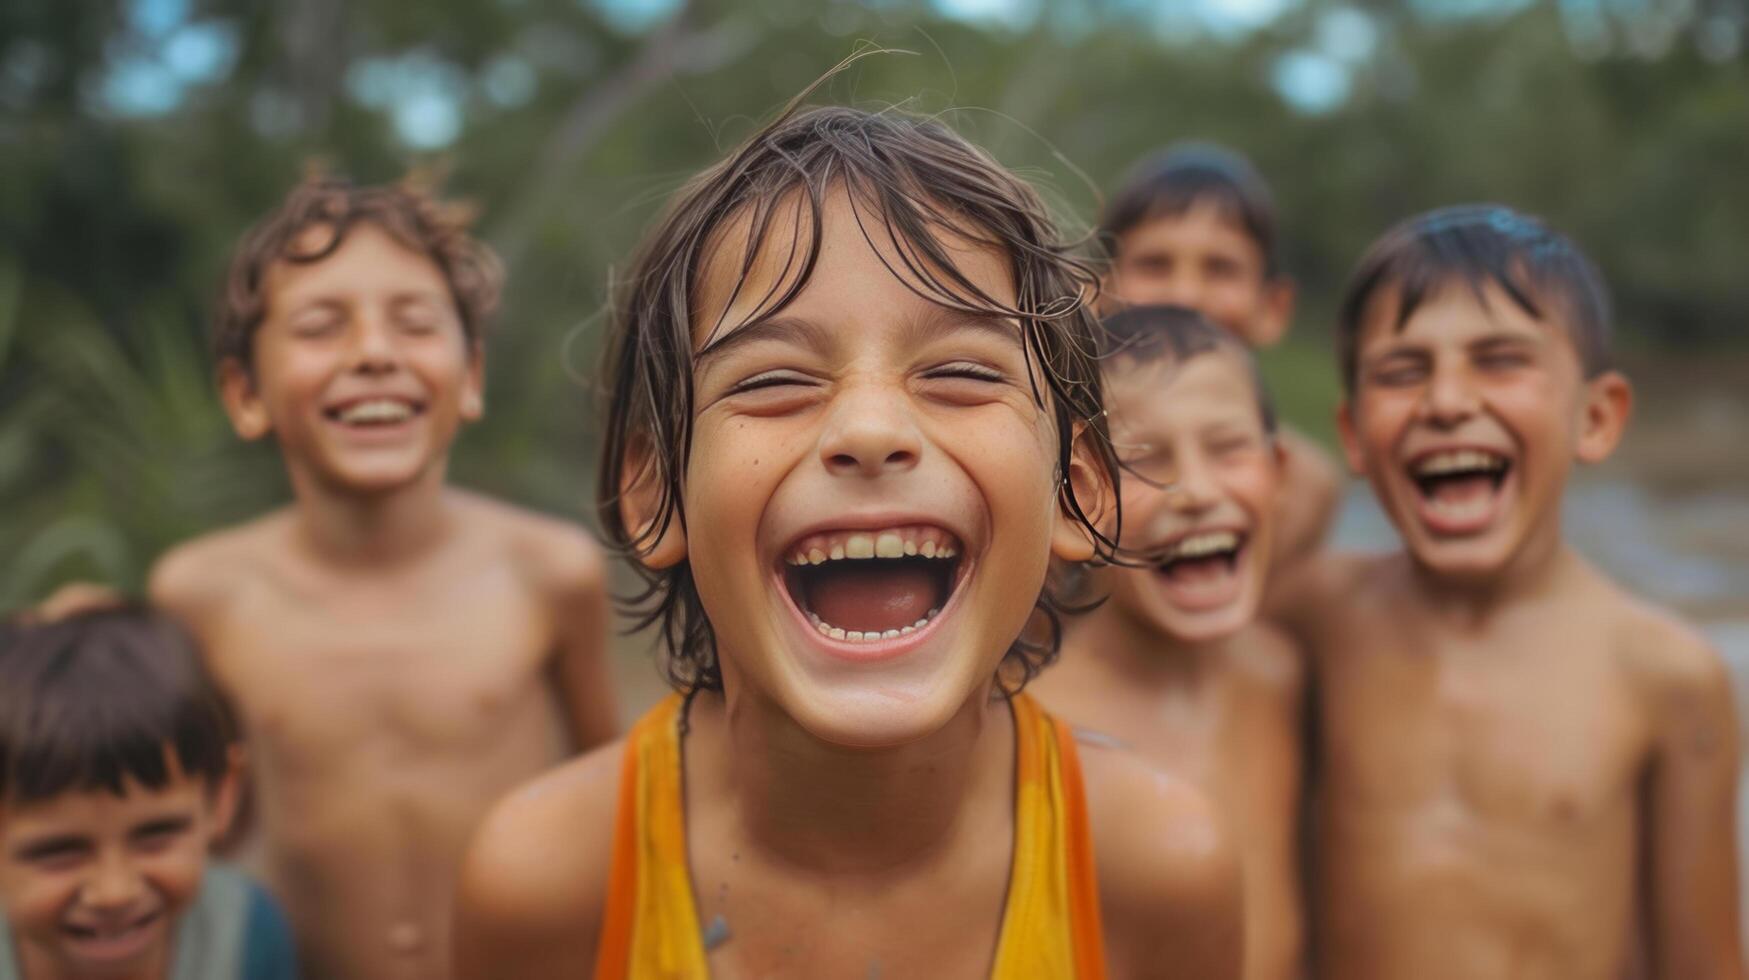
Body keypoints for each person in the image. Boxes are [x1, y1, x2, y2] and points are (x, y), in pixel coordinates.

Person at [454, 96, 1243, 978]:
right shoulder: (549, 880)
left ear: (1079, 486)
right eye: (775, 380)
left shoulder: (1156, 869)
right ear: (654, 491)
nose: (869, 428)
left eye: (957, 371)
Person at [148, 174, 618, 980]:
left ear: (470, 376)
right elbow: (200, 827)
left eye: (414, 321)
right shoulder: (200, 595)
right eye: (322, 325)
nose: (373, 352)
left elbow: (615, 800)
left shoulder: (549, 571)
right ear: (245, 393)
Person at [1274, 205, 1742, 979]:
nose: (1447, 402)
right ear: (1354, 434)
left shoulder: (1666, 676)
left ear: (1594, 418)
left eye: (1498, 360)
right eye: (1400, 372)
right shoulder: (1313, 616)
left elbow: (1704, 962)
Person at [1033, 305, 1305, 980]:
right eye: (1144, 460)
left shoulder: (1283, 676)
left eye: (1227, 448)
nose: (1195, 490)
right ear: (1077, 500)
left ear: (1279, 475)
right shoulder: (1035, 719)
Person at [0, 604, 298, 980]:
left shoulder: (243, 932)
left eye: (156, 836)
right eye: (58, 852)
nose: (115, 892)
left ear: (222, 796)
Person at [1101, 144, 1341, 569]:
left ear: (1273, 308)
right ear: (1100, 293)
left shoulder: (1304, 487)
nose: (1185, 295)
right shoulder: (1056, 460)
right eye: (1155, 264)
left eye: (1219, 268)